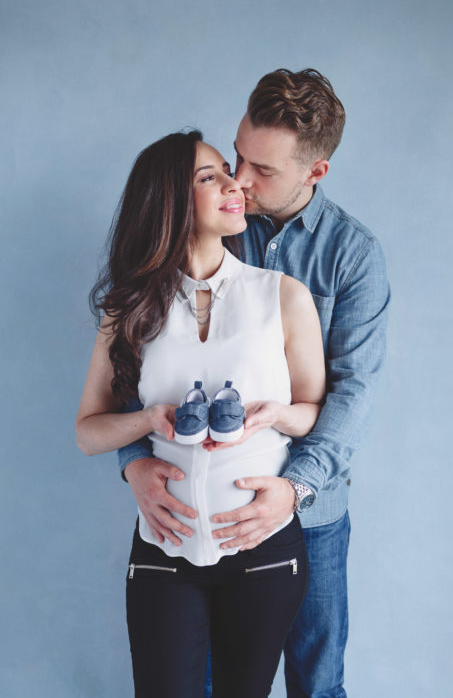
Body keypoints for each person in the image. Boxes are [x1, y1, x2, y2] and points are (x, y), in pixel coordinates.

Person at [117, 69, 390, 698]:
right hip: (200, 519)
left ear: (315, 172)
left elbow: (353, 393)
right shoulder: (207, 221)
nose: (238, 179)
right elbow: (139, 369)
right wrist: (132, 462)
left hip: (312, 514)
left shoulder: (352, 256)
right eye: (236, 156)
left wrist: (295, 491)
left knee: (317, 684)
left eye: (261, 169)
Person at [76, 129, 327, 697]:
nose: (235, 185)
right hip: (165, 550)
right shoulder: (129, 309)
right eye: (210, 177)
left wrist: (275, 416)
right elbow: (88, 432)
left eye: (228, 173)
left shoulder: (284, 295)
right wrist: (148, 420)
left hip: (264, 551)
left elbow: (313, 411)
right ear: (169, 200)